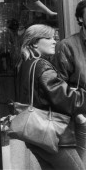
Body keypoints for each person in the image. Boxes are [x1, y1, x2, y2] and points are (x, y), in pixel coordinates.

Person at [16, 24, 86, 170]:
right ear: (35, 42)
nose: (54, 41)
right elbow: (65, 99)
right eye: (49, 38)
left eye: (54, 37)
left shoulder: (25, 64)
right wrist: (81, 95)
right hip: (52, 137)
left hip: (34, 135)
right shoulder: (42, 67)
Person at [54, 0, 86, 167]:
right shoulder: (67, 46)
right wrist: (79, 116)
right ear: (80, 18)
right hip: (82, 119)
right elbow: (59, 87)